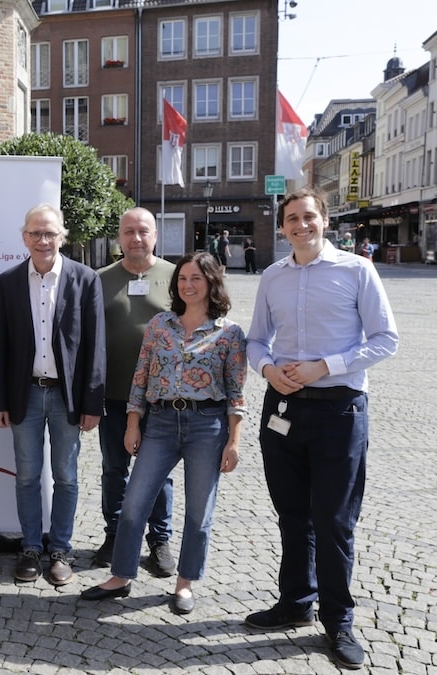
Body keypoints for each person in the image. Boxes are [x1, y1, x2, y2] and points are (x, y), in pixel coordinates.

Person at [244, 189, 398, 670]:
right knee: (292, 513)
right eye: (292, 218)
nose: (300, 225)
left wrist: (325, 367)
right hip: (283, 410)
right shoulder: (273, 276)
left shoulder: (357, 270)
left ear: (324, 220)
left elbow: (385, 339)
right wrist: (268, 371)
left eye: (308, 216)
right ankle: (295, 602)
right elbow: (255, 341)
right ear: (283, 225)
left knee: (333, 521)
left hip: (340, 411)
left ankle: (338, 619)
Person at [80, 252, 246, 615]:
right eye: (183, 279)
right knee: (135, 503)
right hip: (160, 424)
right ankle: (120, 576)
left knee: (199, 512)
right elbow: (140, 378)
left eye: (196, 279)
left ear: (212, 283)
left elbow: (236, 393)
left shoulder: (229, 333)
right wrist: (133, 423)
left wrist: (233, 441)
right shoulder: (160, 325)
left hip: (207, 425)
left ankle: (185, 583)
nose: (188, 285)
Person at [0, 203, 105, 587]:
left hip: (66, 399)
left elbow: (94, 345)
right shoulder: (7, 282)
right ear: (24, 237)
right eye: (36, 233)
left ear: (62, 237)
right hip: (25, 394)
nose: (43, 240)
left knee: (67, 477)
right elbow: (0, 345)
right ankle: (30, 549)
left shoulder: (85, 279)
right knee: (26, 476)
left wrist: (93, 402)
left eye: (50, 233)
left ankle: (60, 550)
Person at [94, 207, 176, 577]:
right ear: (119, 237)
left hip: (162, 397)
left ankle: (159, 540)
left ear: (155, 235)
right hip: (113, 393)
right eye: (128, 231)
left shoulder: (176, 278)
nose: (136, 238)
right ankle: (115, 534)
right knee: (114, 468)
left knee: (159, 471)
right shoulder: (99, 279)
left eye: (143, 231)